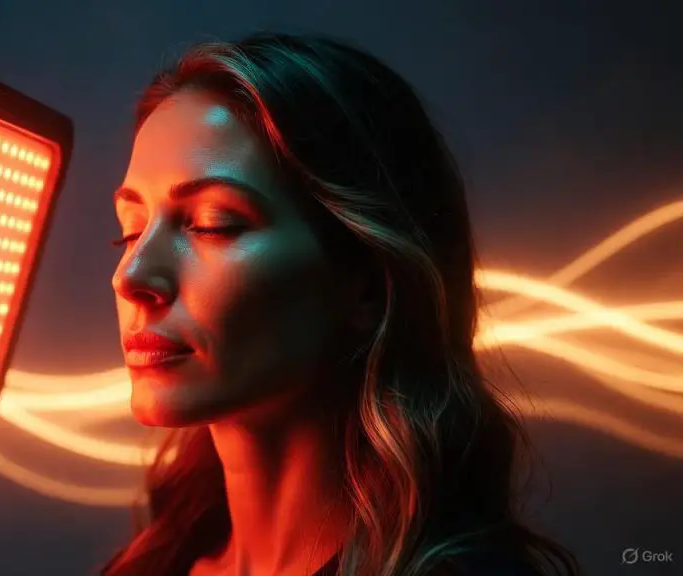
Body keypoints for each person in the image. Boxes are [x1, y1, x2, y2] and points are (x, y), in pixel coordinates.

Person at [102, 32, 580, 576]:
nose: (130, 276)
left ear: (368, 283)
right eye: (130, 230)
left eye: (214, 224)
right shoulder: (149, 564)